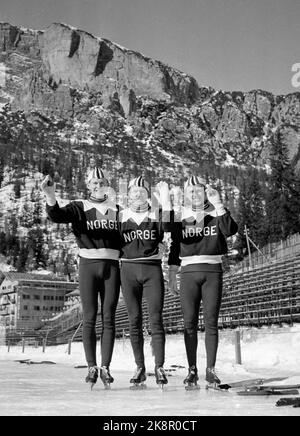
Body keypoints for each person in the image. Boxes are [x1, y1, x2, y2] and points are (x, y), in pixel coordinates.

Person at [41, 167, 121, 389]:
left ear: (107, 182)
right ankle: (91, 366)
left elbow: (131, 236)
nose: (97, 184)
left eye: (102, 180)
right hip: (88, 265)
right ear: (88, 185)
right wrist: (50, 195)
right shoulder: (79, 206)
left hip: (112, 266)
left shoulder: (118, 209)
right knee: (89, 316)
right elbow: (56, 215)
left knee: (109, 318)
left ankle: (105, 367)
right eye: (93, 182)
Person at [168, 176, 238, 389]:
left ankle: (210, 370)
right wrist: (172, 273)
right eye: (190, 191)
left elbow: (230, 230)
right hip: (188, 271)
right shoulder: (182, 215)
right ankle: (192, 370)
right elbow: (174, 246)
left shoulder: (216, 211)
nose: (194, 194)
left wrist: (218, 203)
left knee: (211, 323)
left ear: (205, 192)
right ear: (185, 193)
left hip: (212, 270)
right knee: (189, 324)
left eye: (198, 190)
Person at [118, 176, 171, 388]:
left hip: (152, 270)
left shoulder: (155, 214)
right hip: (128, 270)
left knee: (156, 319)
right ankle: (139, 367)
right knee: (134, 321)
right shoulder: (121, 215)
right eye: (134, 191)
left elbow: (168, 226)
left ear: (148, 194)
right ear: (128, 194)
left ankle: (159, 366)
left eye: (142, 191)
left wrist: (166, 200)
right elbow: (109, 240)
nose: (137, 194)